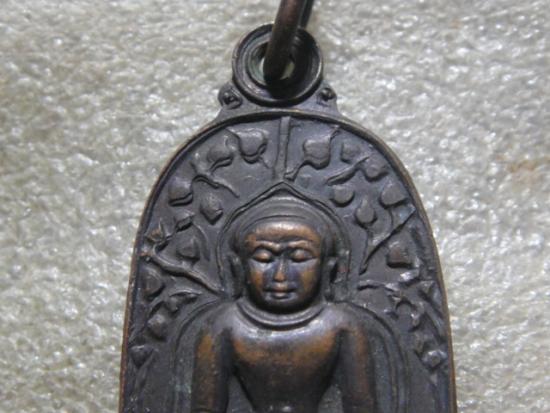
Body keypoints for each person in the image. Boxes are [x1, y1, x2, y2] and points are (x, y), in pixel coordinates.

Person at [190, 189, 377, 413]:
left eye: (299, 258)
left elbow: (361, 406)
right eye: (263, 258)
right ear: (238, 267)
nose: (280, 276)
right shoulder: (224, 326)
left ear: (328, 267)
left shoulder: (341, 326)